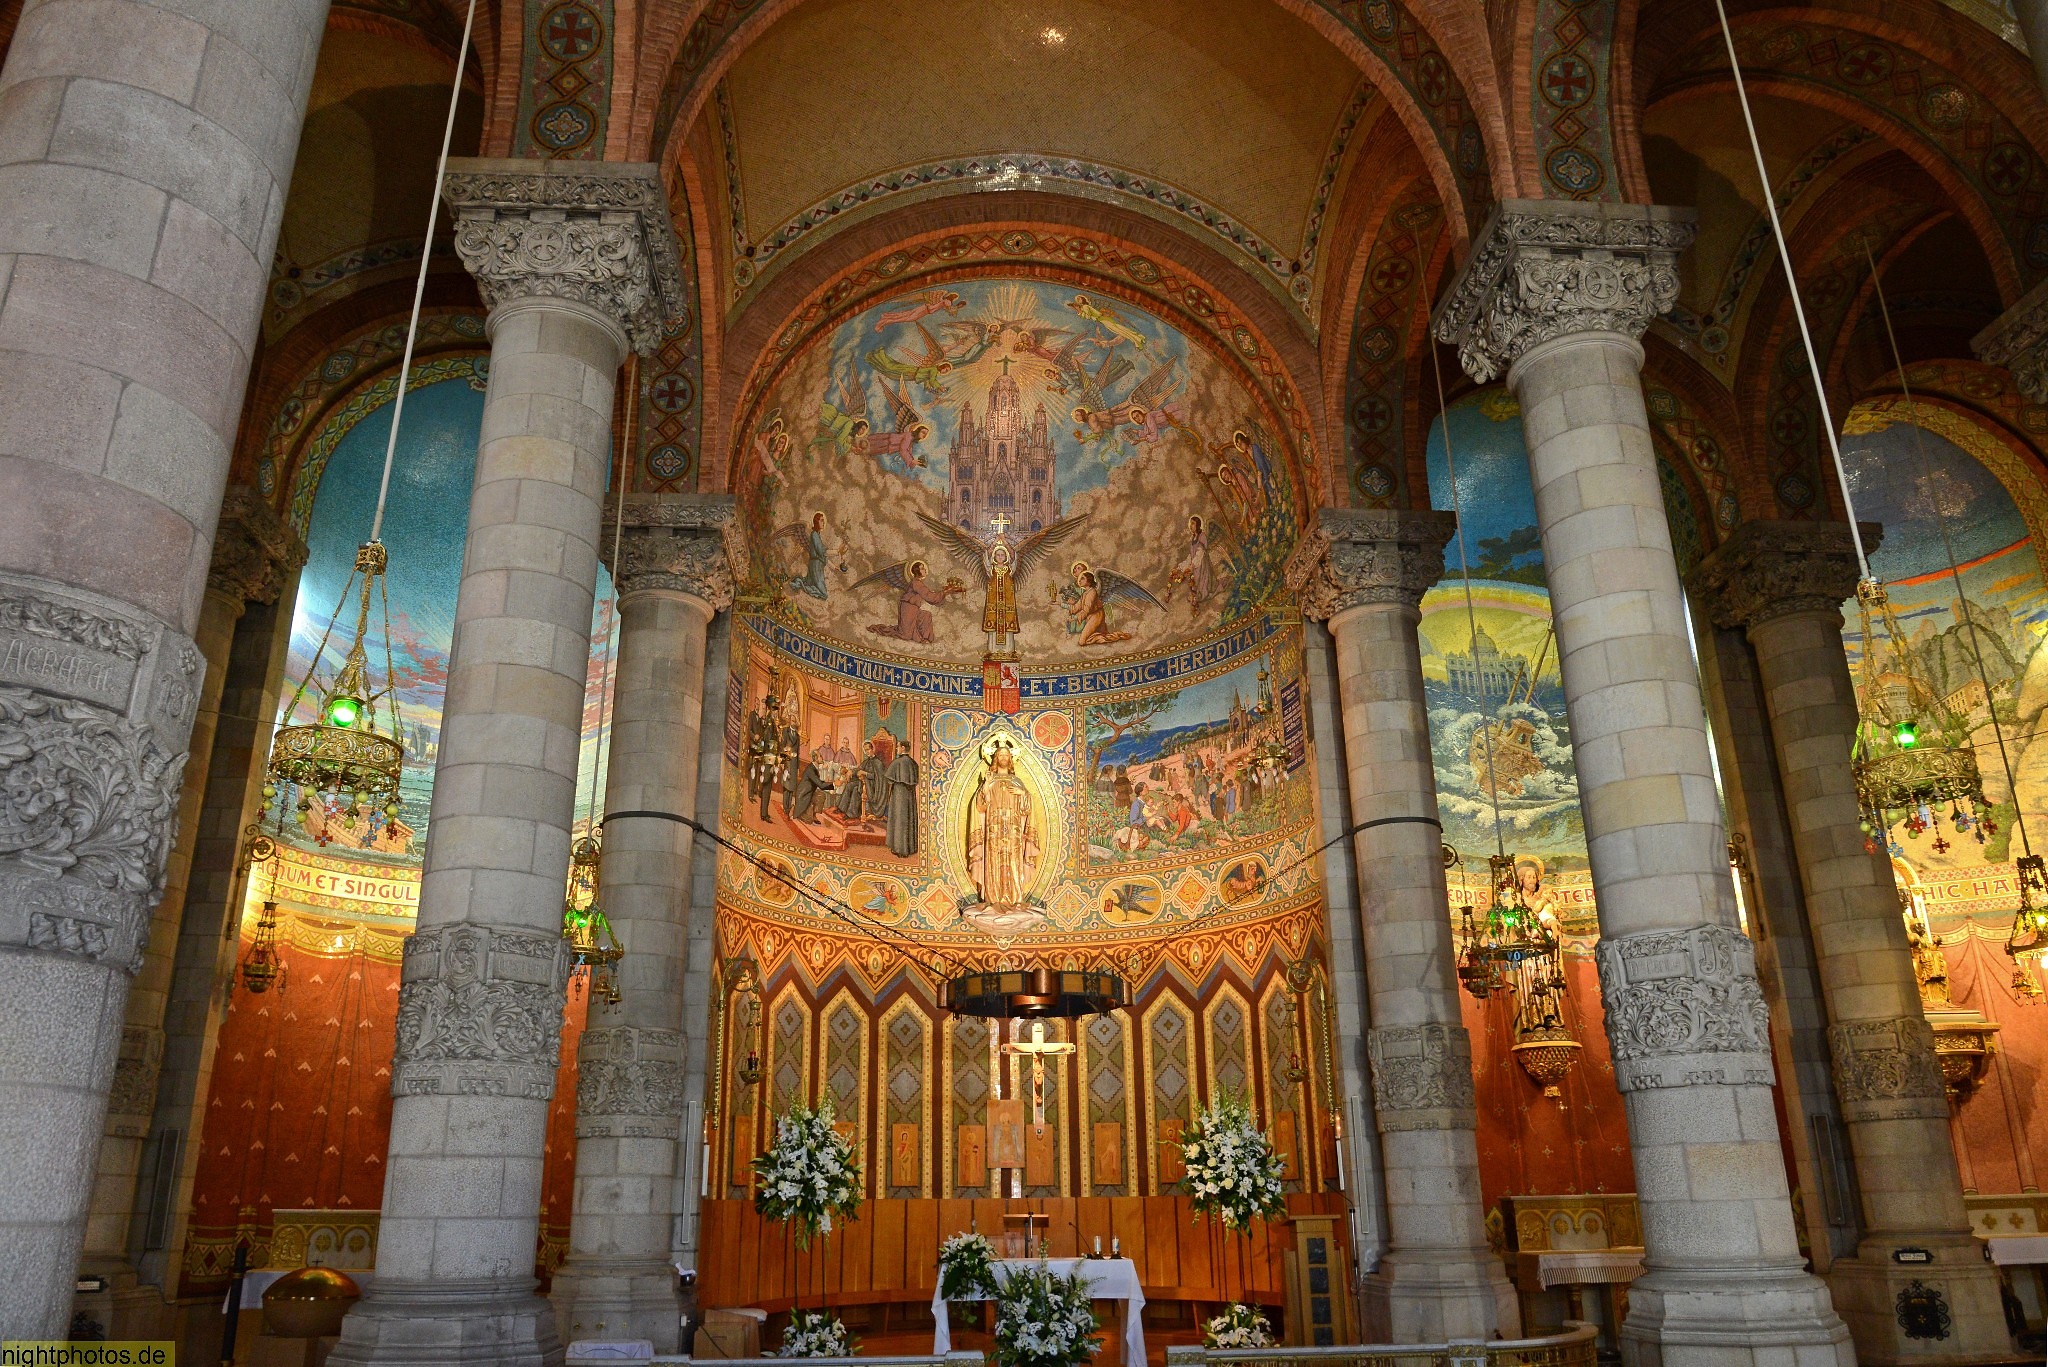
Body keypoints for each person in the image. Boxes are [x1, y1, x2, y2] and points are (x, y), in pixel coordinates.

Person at [885, 744, 920, 857]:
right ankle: (910, 848)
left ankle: (900, 849)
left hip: (899, 795)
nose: (897, 749)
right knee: (908, 818)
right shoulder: (913, 763)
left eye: (898, 747)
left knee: (899, 820)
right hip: (910, 796)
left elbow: (889, 779)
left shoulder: (897, 762)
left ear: (903, 748)